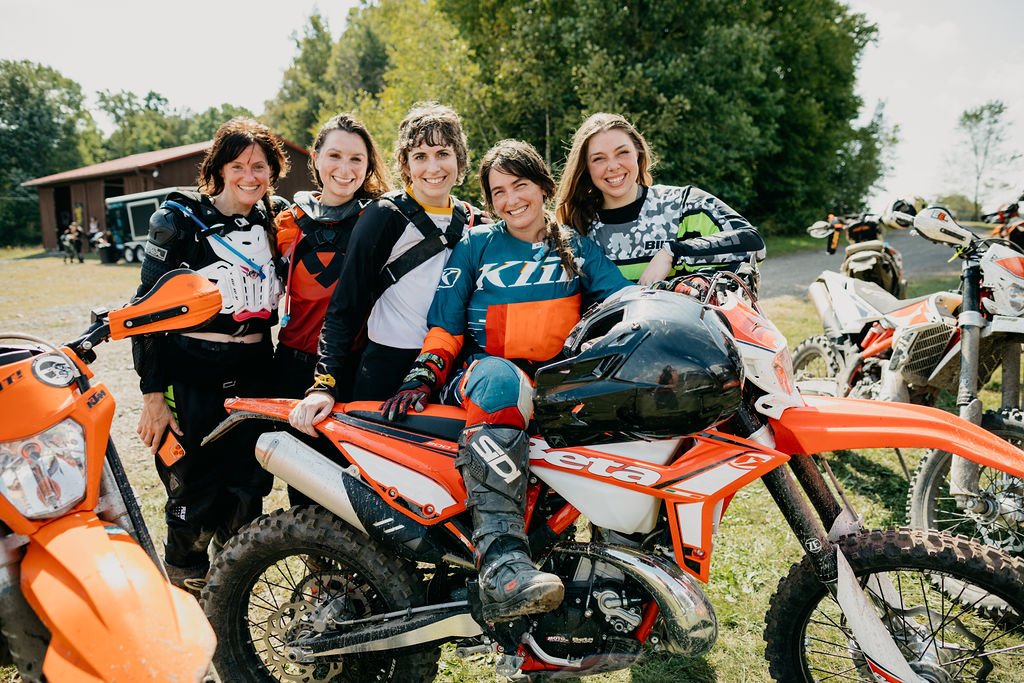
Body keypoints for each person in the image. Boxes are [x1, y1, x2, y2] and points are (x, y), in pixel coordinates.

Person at [382, 139, 631, 622]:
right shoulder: (475, 244)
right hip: (485, 372)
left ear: (543, 186)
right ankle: (500, 562)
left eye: (520, 186)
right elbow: (446, 325)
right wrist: (422, 375)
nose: (512, 200)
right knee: (502, 380)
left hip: (556, 381)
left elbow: (622, 306)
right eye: (499, 192)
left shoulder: (576, 246)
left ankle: (616, 567)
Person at [132, 117, 289, 593]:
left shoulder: (278, 221)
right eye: (237, 165)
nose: (249, 176)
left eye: (259, 166)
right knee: (192, 498)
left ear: (273, 171)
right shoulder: (179, 221)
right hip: (192, 375)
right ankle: (185, 597)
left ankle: (229, 601)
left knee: (246, 494)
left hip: (257, 372)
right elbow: (144, 312)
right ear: (219, 168)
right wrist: (153, 396)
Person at [289, 102, 486, 436]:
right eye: (420, 156)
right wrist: (324, 385)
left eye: (443, 153)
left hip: (450, 369)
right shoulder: (385, 215)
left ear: (460, 159)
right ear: (405, 164)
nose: (433, 167)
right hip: (386, 369)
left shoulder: (474, 222)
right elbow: (345, 307)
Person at [555, 113, 764, 284]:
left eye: (622, 152)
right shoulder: (576, 228)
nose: (613, 166)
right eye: (599, 159)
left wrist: (673, 253)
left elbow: (754, 244)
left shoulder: (683, 205)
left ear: (638, 152)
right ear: (586, 167)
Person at [274, 113, 390, 400]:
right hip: (291, 363)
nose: (345, 169)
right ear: (315, 158)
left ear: (368, 165)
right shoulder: (287, 222)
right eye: (334, 155)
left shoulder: (380, 221)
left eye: (356, 159)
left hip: (355, 367)